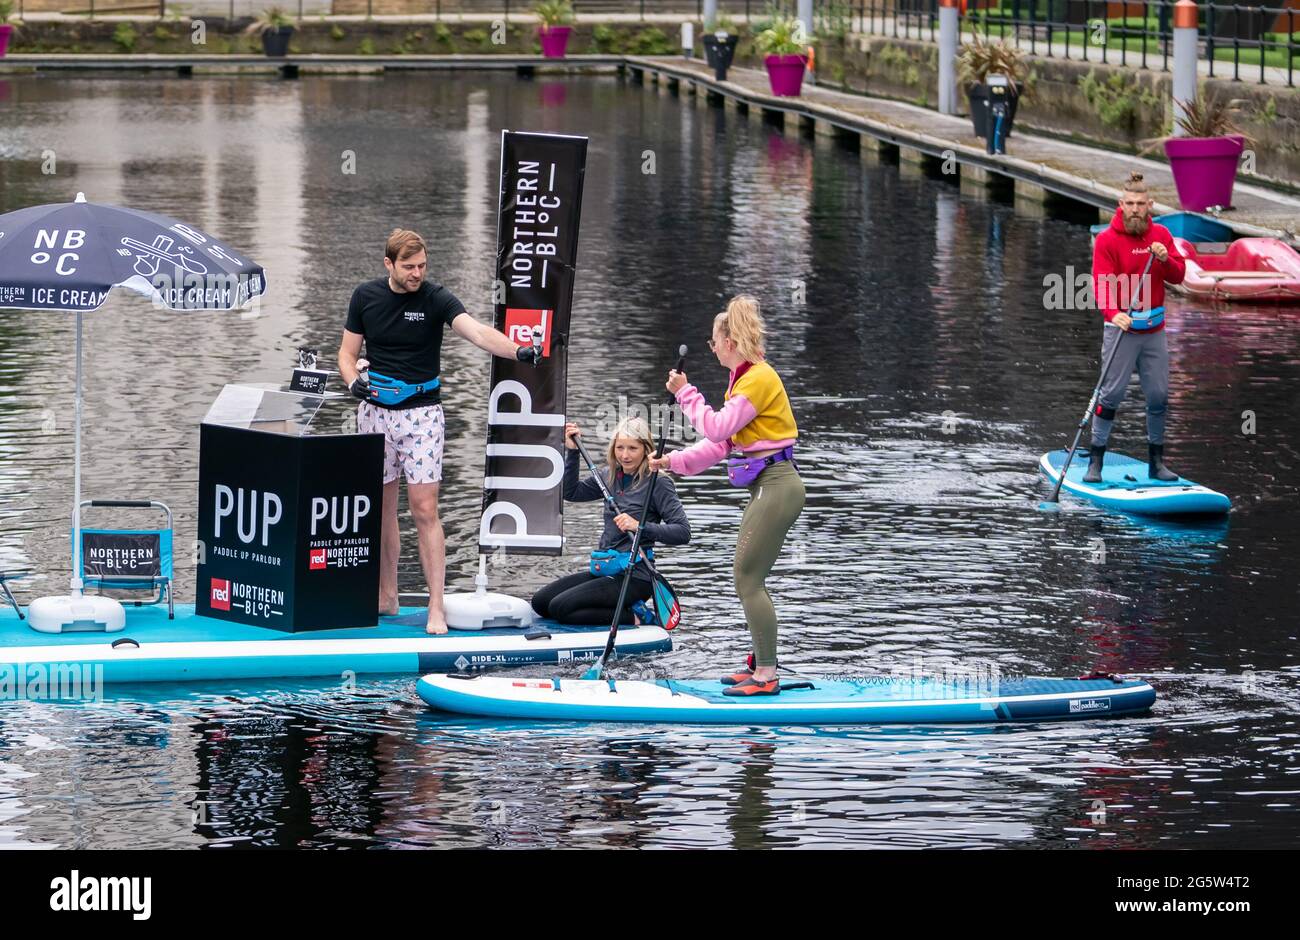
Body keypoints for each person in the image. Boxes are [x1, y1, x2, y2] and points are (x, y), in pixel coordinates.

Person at [337, 229, 538, 634]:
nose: (417, 273)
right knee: (382, 509)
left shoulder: (435, 298)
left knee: (425, 510)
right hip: (374, 413)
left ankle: (435, 608)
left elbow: (478, 332)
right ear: (388, 265)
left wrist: (517, 350)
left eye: (422, 266)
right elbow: (347, 353)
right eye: (409, 267)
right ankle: (387, 596)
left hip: (421, 416)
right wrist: (350, 380)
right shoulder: (365, 296)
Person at [649, 295, 804, 696]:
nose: (711, 346)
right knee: (748, 578)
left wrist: (686, 393)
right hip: (767, 485)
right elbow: (720, 447)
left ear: (731, 342)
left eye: (714, 340)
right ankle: (758, 662)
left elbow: (716, 428)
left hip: (778, 485)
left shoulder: (759, 379)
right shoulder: (744, 380)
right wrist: (671, 462)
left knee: (747, 579)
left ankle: (766, 675)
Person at [531, 418, 690, 626]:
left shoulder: (658, 483)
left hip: (635, 575)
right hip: (606, 569)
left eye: (633, 448)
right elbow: (571, 493)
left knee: (561, 608)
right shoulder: (608, 476)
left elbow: (683, 532)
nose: (625, 455)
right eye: (620, 447)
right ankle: (624, 607)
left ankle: (637, 617)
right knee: (541, 603)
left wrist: (639, 526)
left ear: (646, 449)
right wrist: (573, 452)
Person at [1087, 172, 1187, 483]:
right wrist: (1112, 312)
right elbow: (1102, 283)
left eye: (1140, 204)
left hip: (1153, 332)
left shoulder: (1161, 236)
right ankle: (1095, 462)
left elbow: (1179, 275)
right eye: (1129, 203)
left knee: (1158, 396)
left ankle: (1156, 464)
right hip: (1121, 329)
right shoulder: (1106, 240)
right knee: (1111, 395)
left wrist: (1165, 260)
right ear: (1120, 204)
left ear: (1150, 205)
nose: (1134, 209)